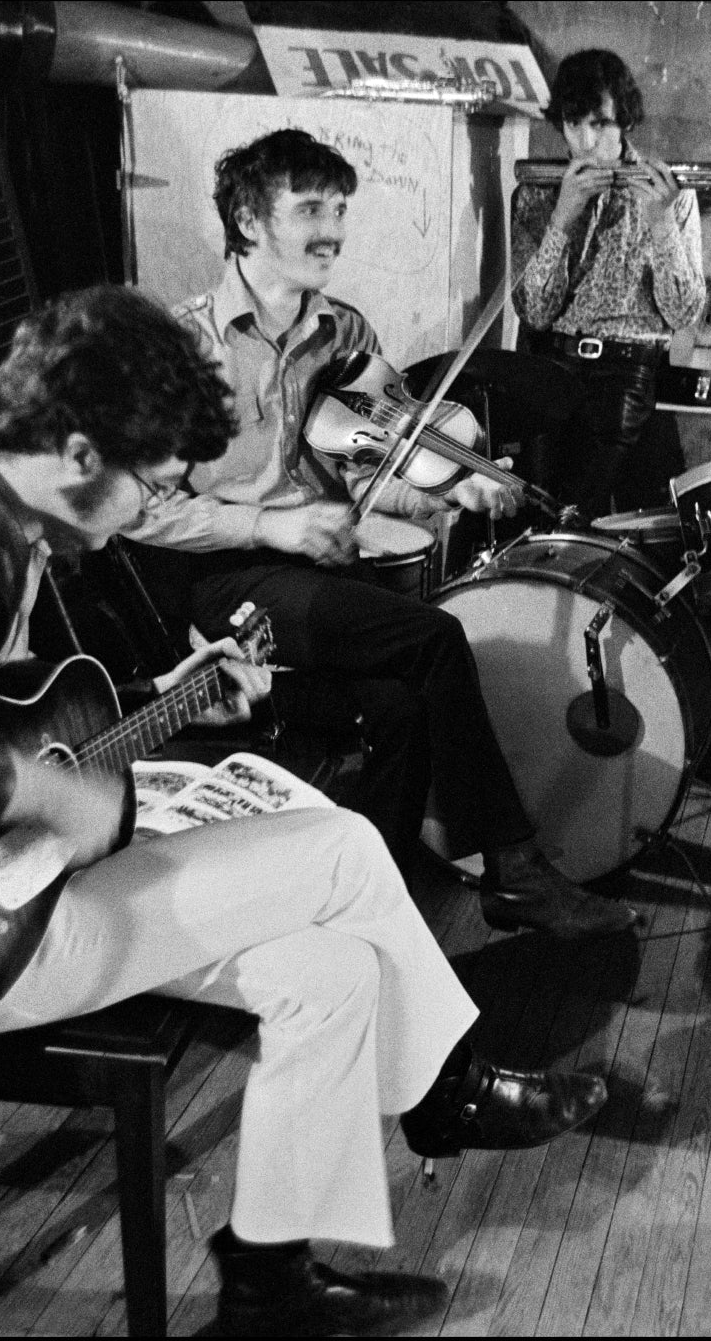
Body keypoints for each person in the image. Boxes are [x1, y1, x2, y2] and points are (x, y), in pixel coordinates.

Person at [0, 286, 608, 1335]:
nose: (145, 512)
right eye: (147, 485)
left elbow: (9, 720)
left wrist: (165, 698)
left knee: (331, 973)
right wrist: (40, 789)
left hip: (27, 894)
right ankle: (444, 1091)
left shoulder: (8, 525)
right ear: (76, 452)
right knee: (340, 849)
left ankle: (270, 1284)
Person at [125, 129, 635, 940]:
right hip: (228, 577)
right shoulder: (185, 346)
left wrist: (453, 489)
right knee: (435, 640)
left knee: (400, 706)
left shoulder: (347, 334)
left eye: (339, 210)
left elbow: (369, 463)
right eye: (310, 210)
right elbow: (139, 510)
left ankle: (373, 902)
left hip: (322, 570)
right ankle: (515, 869)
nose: (332, 230)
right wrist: (270, 525)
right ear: (249, 223)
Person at [511, 47, 707, 515]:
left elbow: (683, 313)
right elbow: (534, 312)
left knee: (624, 524)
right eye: (572, 123)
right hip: (553, 371)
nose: (584, 141)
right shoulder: (538, 191)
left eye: (599, 123)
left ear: (625, 121)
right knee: (545, 522)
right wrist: (562, 218)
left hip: (632, 377)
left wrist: (660, 222)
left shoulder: (669, 192)